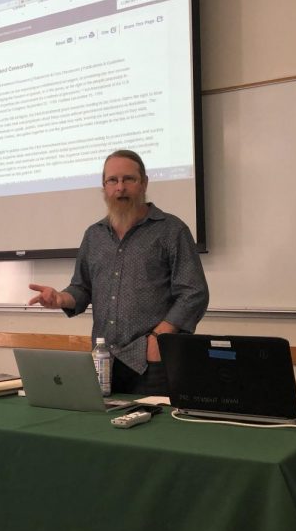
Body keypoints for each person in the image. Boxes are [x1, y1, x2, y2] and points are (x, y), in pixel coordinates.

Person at [28, 149, 208, 395]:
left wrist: (158, 338)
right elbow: (82, 288)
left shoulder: (170, 230)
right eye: (113, 180)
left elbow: (193, 292)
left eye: (128, 179)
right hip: (103, 362)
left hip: (151, 363)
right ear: (104, 187)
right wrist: (61, 298)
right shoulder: (94, 235)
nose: (120, 187)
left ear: (144, 183)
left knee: (151, 431)